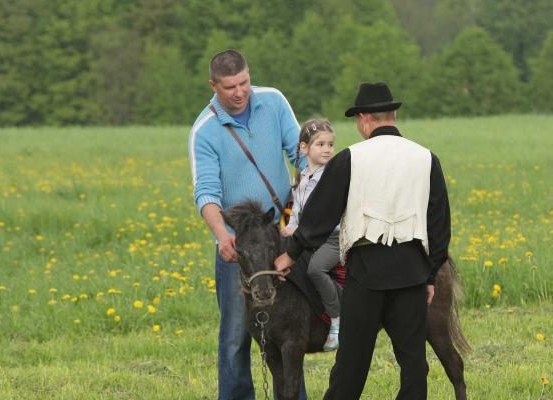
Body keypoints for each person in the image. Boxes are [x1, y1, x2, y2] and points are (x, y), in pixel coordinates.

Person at [274, 82, 451, 399]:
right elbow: (439, 226)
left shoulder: (350, 159)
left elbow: (319, 215)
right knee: (413, 365)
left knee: (351, 364)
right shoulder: (426, 159)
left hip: (366, 272)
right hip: (411, 271)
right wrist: (430, 274)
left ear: (364, 118)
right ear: (392, 115)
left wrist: (291, 253)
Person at [189, 49, 307, 400]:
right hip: (240, 246)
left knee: (292, 329)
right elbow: (206, 193)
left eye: (244, 83)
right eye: (229, 87)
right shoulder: (204, 130)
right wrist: (222, 235)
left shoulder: (273, 101)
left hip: (282, 234)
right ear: (213, 86)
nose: (239, 92)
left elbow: (300, 153)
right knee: (236, 336)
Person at [281, 117, 341, 352]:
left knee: (316, 269)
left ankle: (337, 320)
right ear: (304, 148)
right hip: (309, 237)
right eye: (320, 144)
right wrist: (290, 226)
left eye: (330, 144)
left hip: (331, 238)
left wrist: (300, 229)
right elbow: (297, 209)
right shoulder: (304, 176)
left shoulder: (332, 177)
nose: (327, 149)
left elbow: (325, 216)